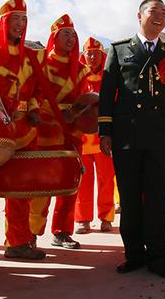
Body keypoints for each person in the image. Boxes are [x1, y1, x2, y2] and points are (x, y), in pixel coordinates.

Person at [98, 0, 165, 278]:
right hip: (127, 137)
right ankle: (133, 254)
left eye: (164, 13)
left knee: (158, 199)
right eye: (154, 11)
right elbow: (108, 94)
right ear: (139, 15)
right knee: (131, 199)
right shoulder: (119, 50)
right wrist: (105, 131)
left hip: (159, 137)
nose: (159, 17)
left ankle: (158, 256)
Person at [0, 0, 46, 260]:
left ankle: (18, 241)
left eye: (24, 19)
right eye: (15, 19)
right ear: (3, 22)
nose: (21, 24)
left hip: (25, 130)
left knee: (22, 188)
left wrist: (33, 109)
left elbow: (33, 91)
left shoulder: (30, 57)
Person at [28, 14, 83, 249]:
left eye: (73, 34)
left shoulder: (79, 69)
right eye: (65, 34)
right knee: (43, 185)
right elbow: (34, 97)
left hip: (72, 133)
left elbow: (83, 102)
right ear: (54, 37)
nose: (70, 39)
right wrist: (60, 113)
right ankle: (31, 233)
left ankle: (62, 231)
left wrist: (78, 114)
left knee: (70, 184)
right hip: (47, 132)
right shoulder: (42, 63)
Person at [74, 37, 116, 234]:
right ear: (84, 55)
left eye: (96, 53)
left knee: (106, 179)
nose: (92, 57)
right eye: (88, 53)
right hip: (82, 138)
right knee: (83, 180)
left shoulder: (110, 77)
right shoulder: (77, 76)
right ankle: (83, 219)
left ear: (102, 55)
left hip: (103, 139)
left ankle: (106, 217)